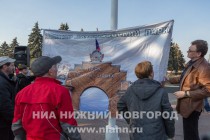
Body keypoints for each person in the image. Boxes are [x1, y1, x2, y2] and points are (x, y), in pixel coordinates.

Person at [12, 56, 81, 140]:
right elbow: (67, 122)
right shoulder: (60, 91)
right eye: (55, 66)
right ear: (50, 71)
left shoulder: (21, 93)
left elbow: (17, 124)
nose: (57, 70)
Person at [117, 61, 175, 140]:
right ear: (151, 73)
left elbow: (121, 105)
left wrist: (131, 121)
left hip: (137, 134)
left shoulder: (130, 90)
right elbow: (168, 115)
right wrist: (171, 134)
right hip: (157, 133)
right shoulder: (160, 91)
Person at [173, 40, 210, 140]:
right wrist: (169, 79)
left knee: (191, 135)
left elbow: (208, 90)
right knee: (189, 134)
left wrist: (185, 93)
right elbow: (184, 78)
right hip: (188, 106)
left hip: (192, 107)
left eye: (190, 50)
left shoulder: (203, 67)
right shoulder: (192, 63)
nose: (187, 52)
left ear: (198, 53)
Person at [0, 56, 16, 140]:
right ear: (4, 67)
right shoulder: (2, 82)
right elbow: (4, 105)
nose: (13, 67)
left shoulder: (5, 79)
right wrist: (14, 120)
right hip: (3, 124)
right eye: (12, 65)